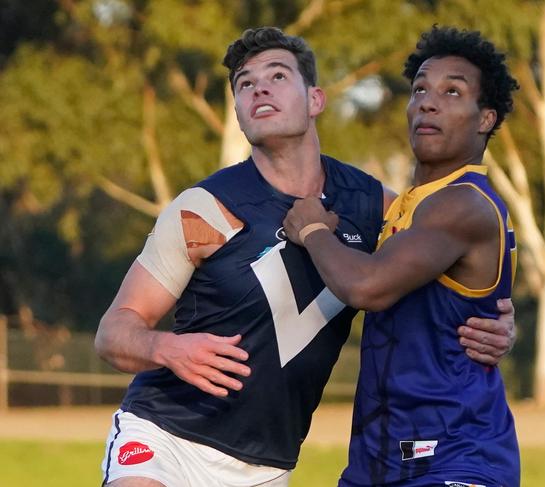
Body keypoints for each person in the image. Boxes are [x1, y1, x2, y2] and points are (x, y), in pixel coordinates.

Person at [95, 27, 516, 487]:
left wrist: (497, 320)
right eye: (244, 84)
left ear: (316, 100)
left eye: (277, 76)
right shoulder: (202, 209)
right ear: (237, 113)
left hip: (267, 465)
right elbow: (114, 331)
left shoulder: (376, 205)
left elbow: (443, 271)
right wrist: (166, 348)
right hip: (165, 435)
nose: (259, 89)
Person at [283, 26, 520, 486]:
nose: (428, 102)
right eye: (419, 90)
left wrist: (311, 228)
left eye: (453, 91)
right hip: (379, 459)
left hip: (455, 455)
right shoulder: (407, 206)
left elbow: (367, 286)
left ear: (485, 118)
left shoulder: (464, 203)